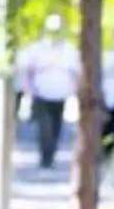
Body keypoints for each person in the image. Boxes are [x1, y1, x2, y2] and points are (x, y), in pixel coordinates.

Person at [17, 14, 80, 168]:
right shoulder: (36, 49)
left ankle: (51, 154)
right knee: (44, 126)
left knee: (56, 126)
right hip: (41, 93)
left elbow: (76, 72)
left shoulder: (69, 50)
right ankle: (45, 156)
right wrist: (28, 89)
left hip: (60, 94)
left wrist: (75, 91)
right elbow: (27, 70)